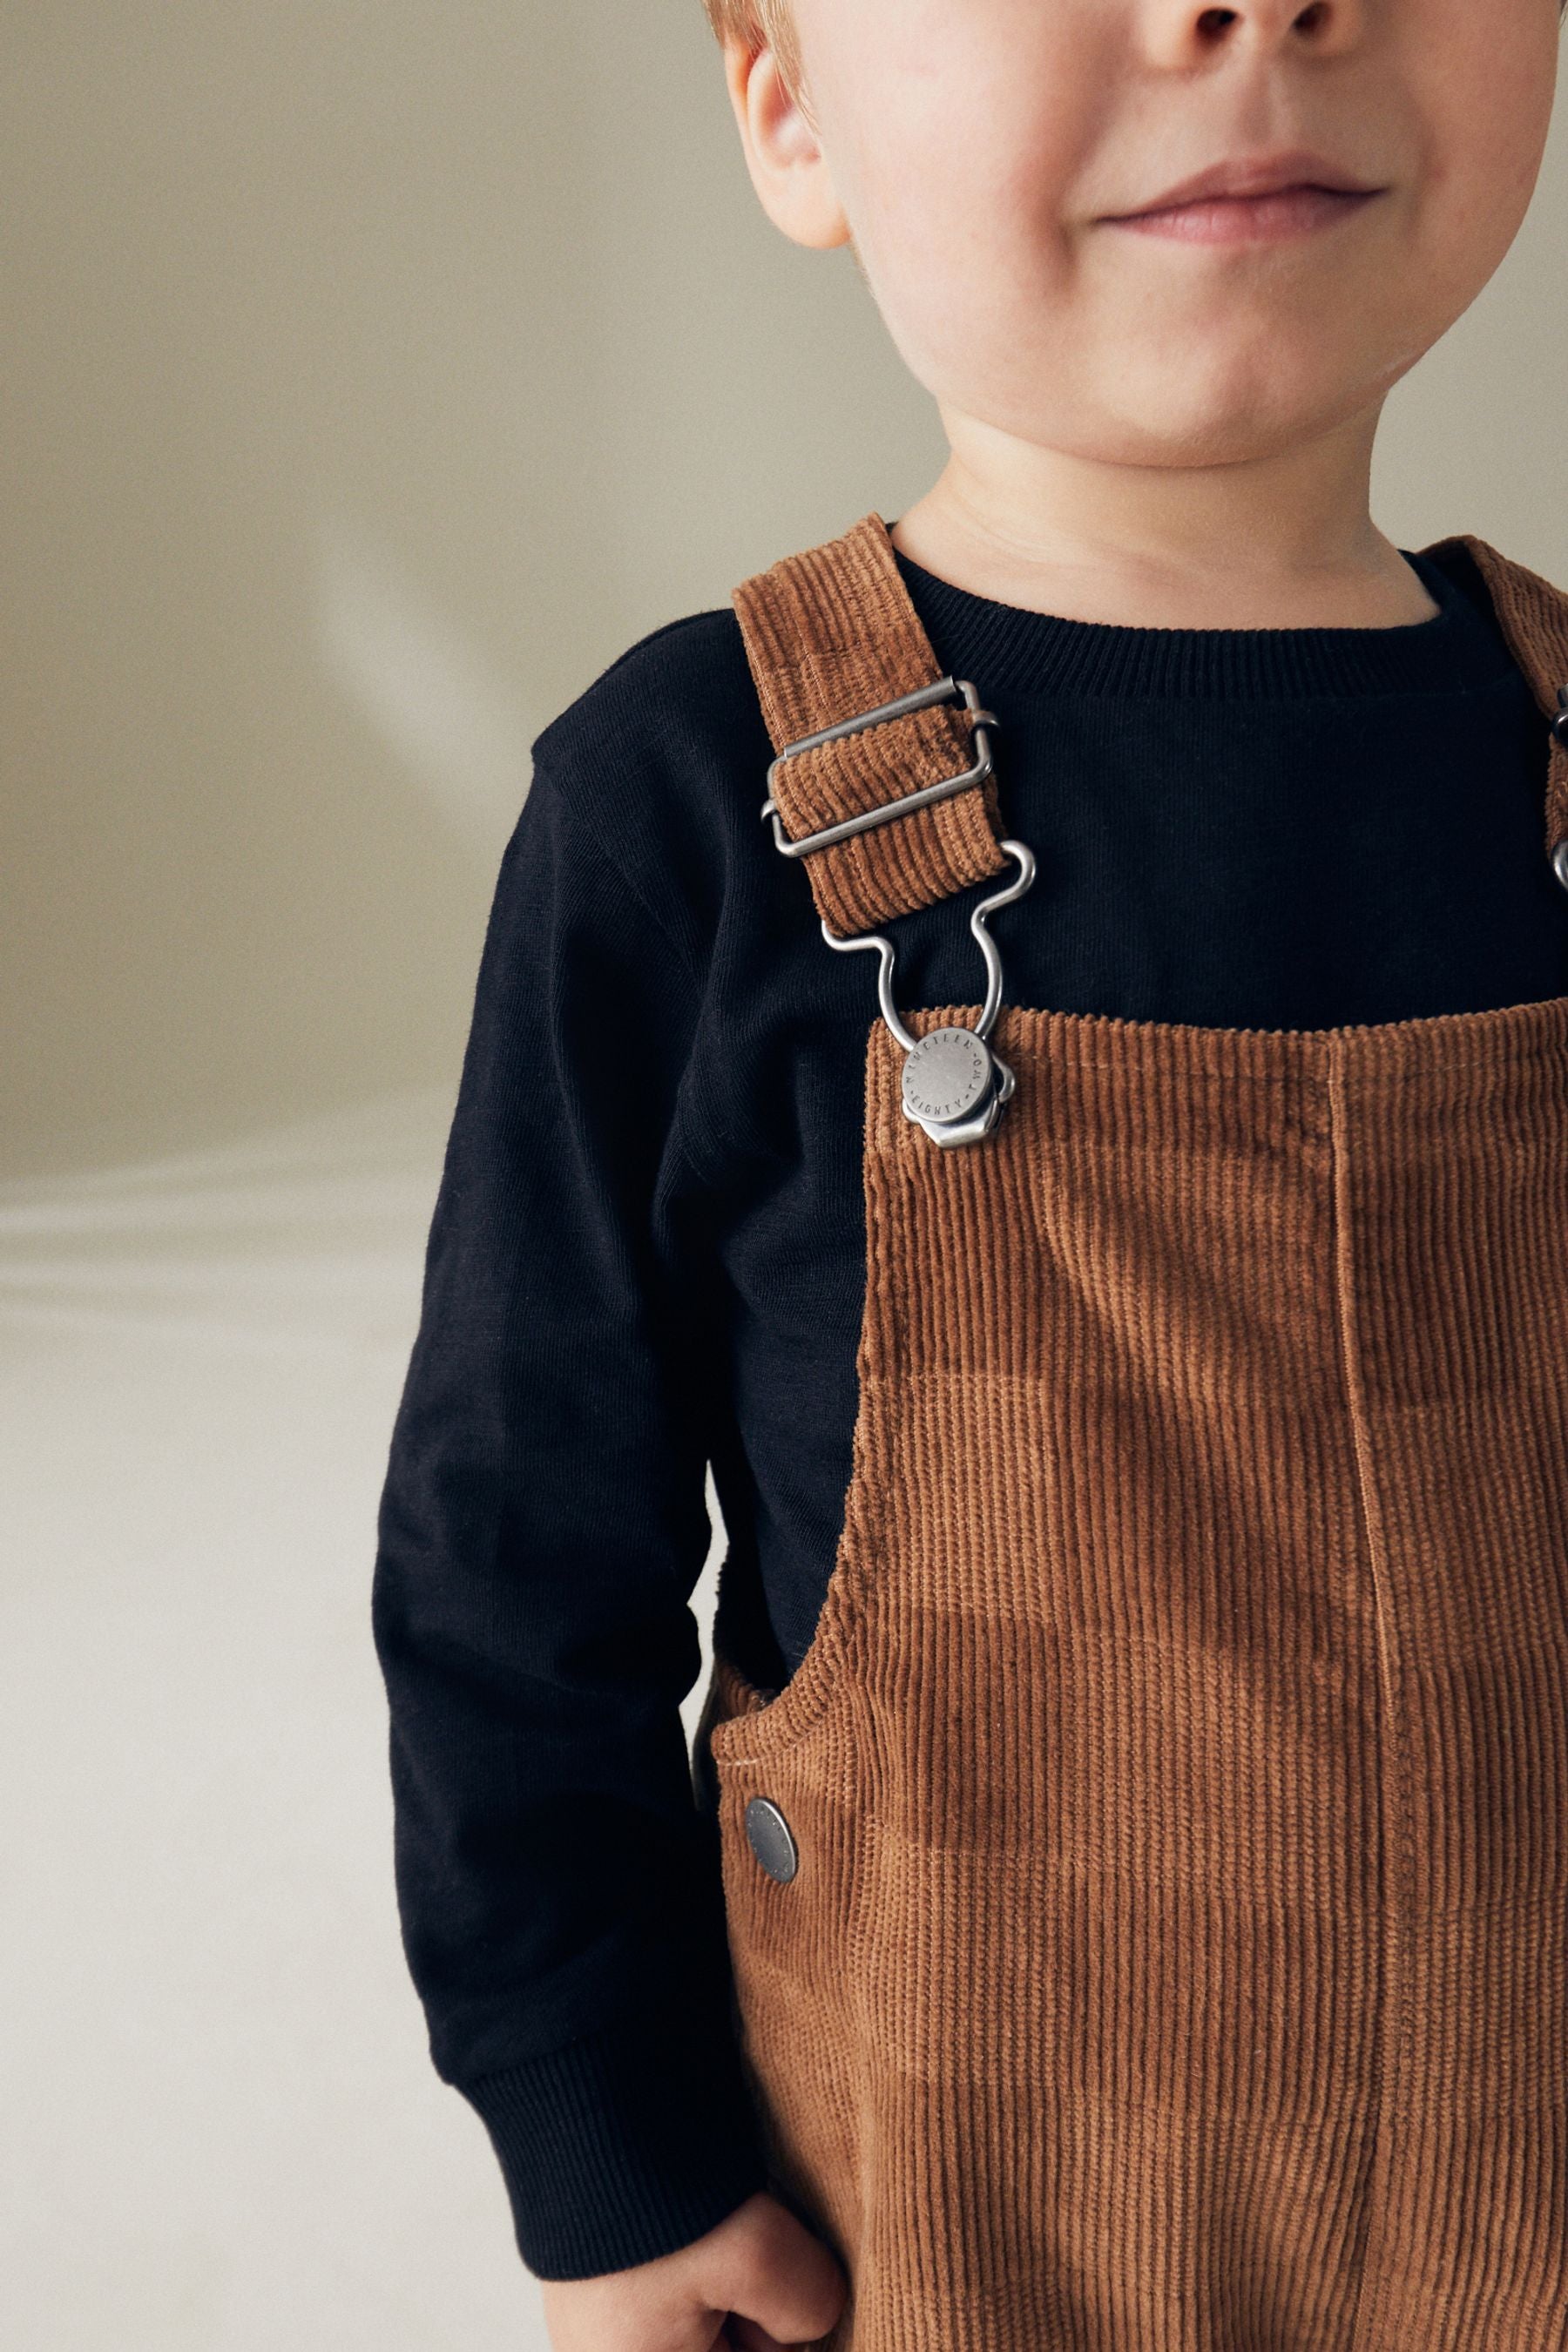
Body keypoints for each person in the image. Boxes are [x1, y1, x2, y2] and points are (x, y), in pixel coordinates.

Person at [370, 3, 1568, 2346]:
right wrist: (604, 2146)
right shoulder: (690, 802)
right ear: (791, 105)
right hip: (951, 2231)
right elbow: (520, 1561)